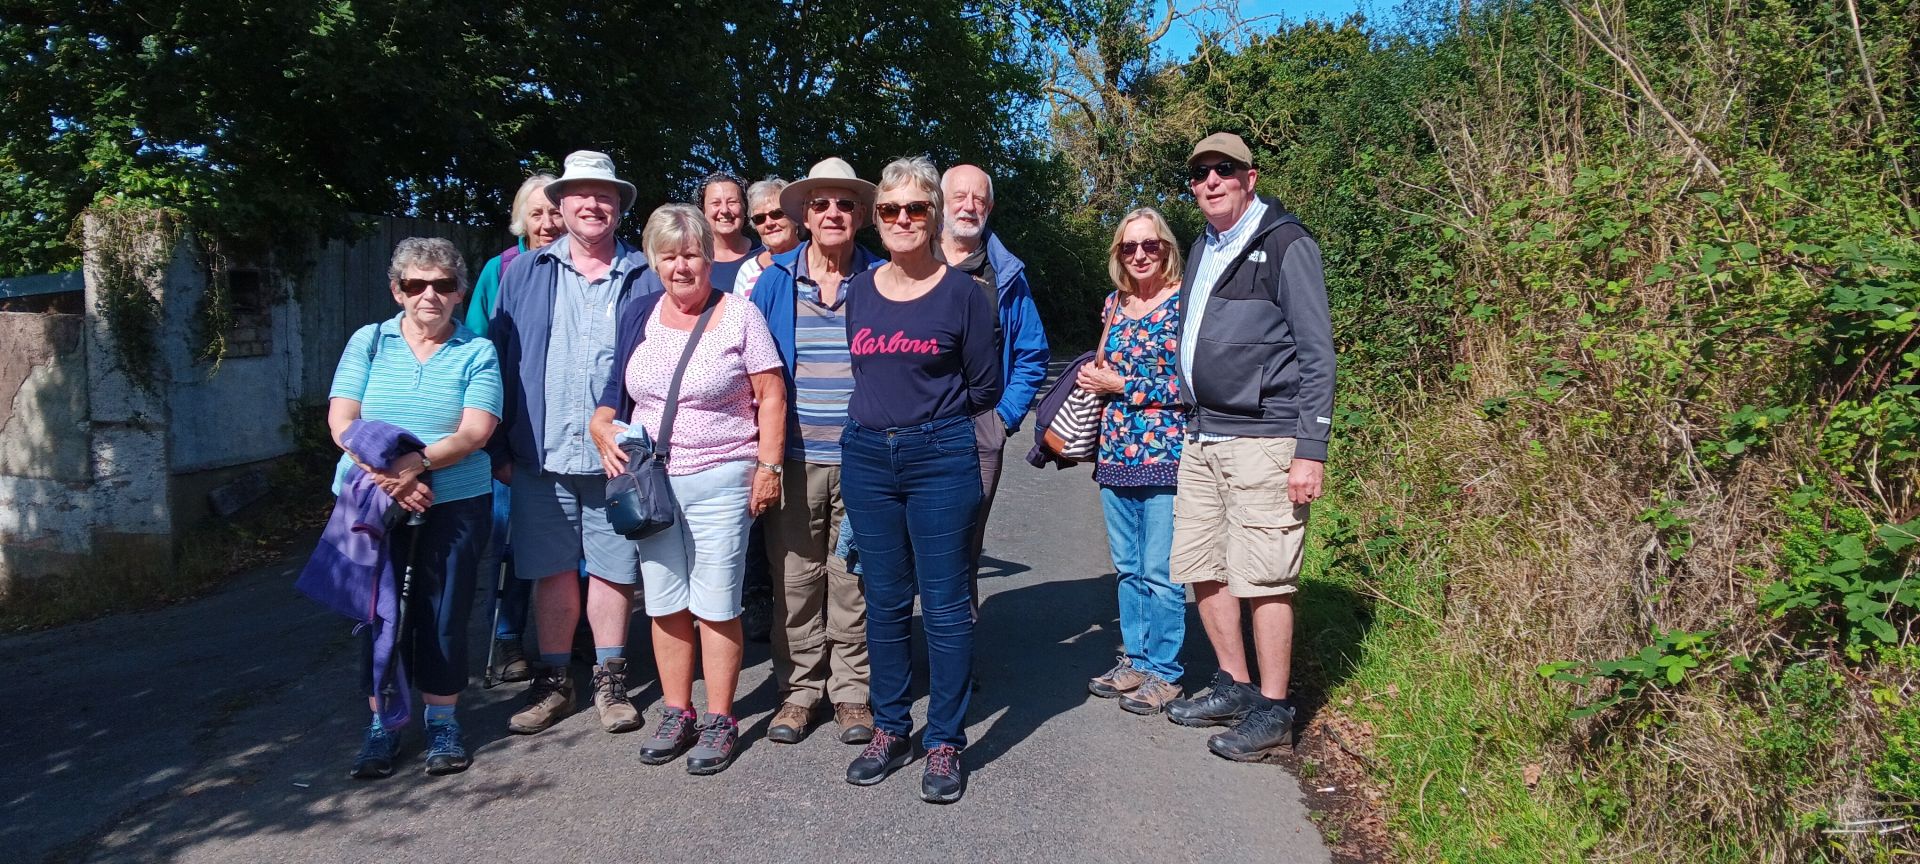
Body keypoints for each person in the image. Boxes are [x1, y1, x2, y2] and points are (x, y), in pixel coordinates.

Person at [589, 204, 786, 775]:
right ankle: (678, 711)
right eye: (669, 256)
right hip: (651, 480)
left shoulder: (740, 316)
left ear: (708, 258)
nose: (681, 267)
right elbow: (613, 396)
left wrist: (768, 468)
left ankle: (721, 718)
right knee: (666, 598)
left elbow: (770, 394)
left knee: (716, 600)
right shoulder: (638, 315)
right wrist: (602, 426)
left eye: (692, 254)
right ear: (654, 262)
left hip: (723, 475)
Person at [1163, 132, 1335, 761]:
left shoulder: (1286, 243)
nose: (1211, 180)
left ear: (1250, 178)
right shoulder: (1205, 247)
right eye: (1201, 173)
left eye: (1225, 171)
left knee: (1264, 578)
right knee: (1203, 566)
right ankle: (1234, 685)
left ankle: (1273, 707)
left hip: (1266, 438)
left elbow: (1317, 352)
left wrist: (1309, 447)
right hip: (1202, 433)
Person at [840, 156, 1001, 803]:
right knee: (881, 601)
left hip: (941, 457)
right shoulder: (861, 290)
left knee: (944, 605)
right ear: (877, 218)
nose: (902, 219)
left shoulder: (964, 293)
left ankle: (943, 743)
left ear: (934, 215)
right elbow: (865, 374)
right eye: (890, 209)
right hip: (869, 458)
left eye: (915, 208)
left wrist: (928, 424)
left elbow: (984, 383)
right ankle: (889, 728)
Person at [487, 150, 662, 737]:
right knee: (551, 570)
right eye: (580, 194)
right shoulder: (525, 273)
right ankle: (555, 680)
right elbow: (502, 361)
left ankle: (611, 681)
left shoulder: (645, 274)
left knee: (614, 570)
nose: (592, 204)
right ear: (560, 205)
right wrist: (500, 448)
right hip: (541, 452)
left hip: (617, 458)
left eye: (604, 195)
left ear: (619, 207)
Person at [329, 237, 502, 777]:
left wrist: (414, 466)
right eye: (415, 284)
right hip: (371, 501)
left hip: (456, 502)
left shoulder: (477, 350)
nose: (429, 295)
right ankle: (382, 726)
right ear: (396, 290)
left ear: (459, 293)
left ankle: (442, 722)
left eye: (443, 285)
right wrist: (391, 477)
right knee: (379, 615)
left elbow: (475, 431)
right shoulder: (369, 342)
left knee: (443, 613)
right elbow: (342, 423)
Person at [749, 157, 884, 747]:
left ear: (860, 215)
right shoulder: (774, 280)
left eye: (845, 203)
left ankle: (852, 693)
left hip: (864, 456)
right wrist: (765, 459)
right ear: (803, 214)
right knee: (796, 579)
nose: (833, 213)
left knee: (853, 576)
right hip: (795, 455)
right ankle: (800, 691)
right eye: (821, 203)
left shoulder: (881, 279)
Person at [1077, 208, 1189, 715]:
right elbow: (1104, 369)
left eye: (1150, 246)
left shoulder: (1185, 305)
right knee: (1126, 568)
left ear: (1167, 248)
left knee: (1161, 571)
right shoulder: (1114, 305)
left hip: (1166, 452)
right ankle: (1136, 660)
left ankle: (1166, 673)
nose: (1140, 255)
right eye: (1129, 247)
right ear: (1118, 255)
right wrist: (1094, 378)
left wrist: (1124, 386)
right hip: (1115, 452)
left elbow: (1194, 385)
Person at [936, 164, 1049, 611]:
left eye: (979, 199)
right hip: (908, 430)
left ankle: (958, 659)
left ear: (990, 207)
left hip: (977, 433)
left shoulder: (1005, 275)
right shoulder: (910, 261)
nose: (969, 206)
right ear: (940, 202)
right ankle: (899, 656)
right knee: (900, 550)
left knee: (964, 546)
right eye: (959, 196)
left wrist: (1002, 419)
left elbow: (1033, 353)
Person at [468, 172, 564, 684]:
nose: (547, 223)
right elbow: (480, 354)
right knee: (509, 540)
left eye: (554, 212)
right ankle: (507, 639)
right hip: (514, 431)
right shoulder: (499, 270)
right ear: (520, 219)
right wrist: (490, 440)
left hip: (570, 434)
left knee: (581, 545)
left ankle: (578, 640)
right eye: (537, 213)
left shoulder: (586, 268)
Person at [731, 177, 800, 298]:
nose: (769, 223)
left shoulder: (815, 261)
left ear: (794, 215)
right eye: (760, 218)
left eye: (777, 214)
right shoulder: (748, 270)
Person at [701, 172, 760, 295]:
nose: (724, 210)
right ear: (704, 211)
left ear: (744, 208)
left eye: (732, 202)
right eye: (715, 203)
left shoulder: (765, 255)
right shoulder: (694, 259)